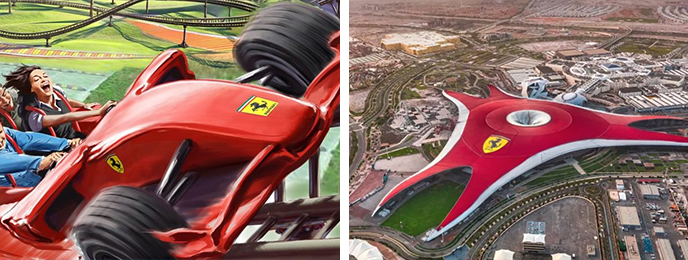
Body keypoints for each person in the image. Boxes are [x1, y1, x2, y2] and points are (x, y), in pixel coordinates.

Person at [4, 65, 116, 139]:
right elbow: (65, 117)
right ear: (31, 88)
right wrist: (98, 112)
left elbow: (65, 101)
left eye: (45, 76)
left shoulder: (56, 91)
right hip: (55, 151)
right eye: (37, 80)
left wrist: (83, 105)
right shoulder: (32, 114)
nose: (44, 79)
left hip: (75, 138)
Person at [0, 126, 81, 187]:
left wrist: (67, 144)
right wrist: (41, 162)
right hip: (16, 195)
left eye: (0, 132)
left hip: (33, 180)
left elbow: (30, 139)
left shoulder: (7, 133)